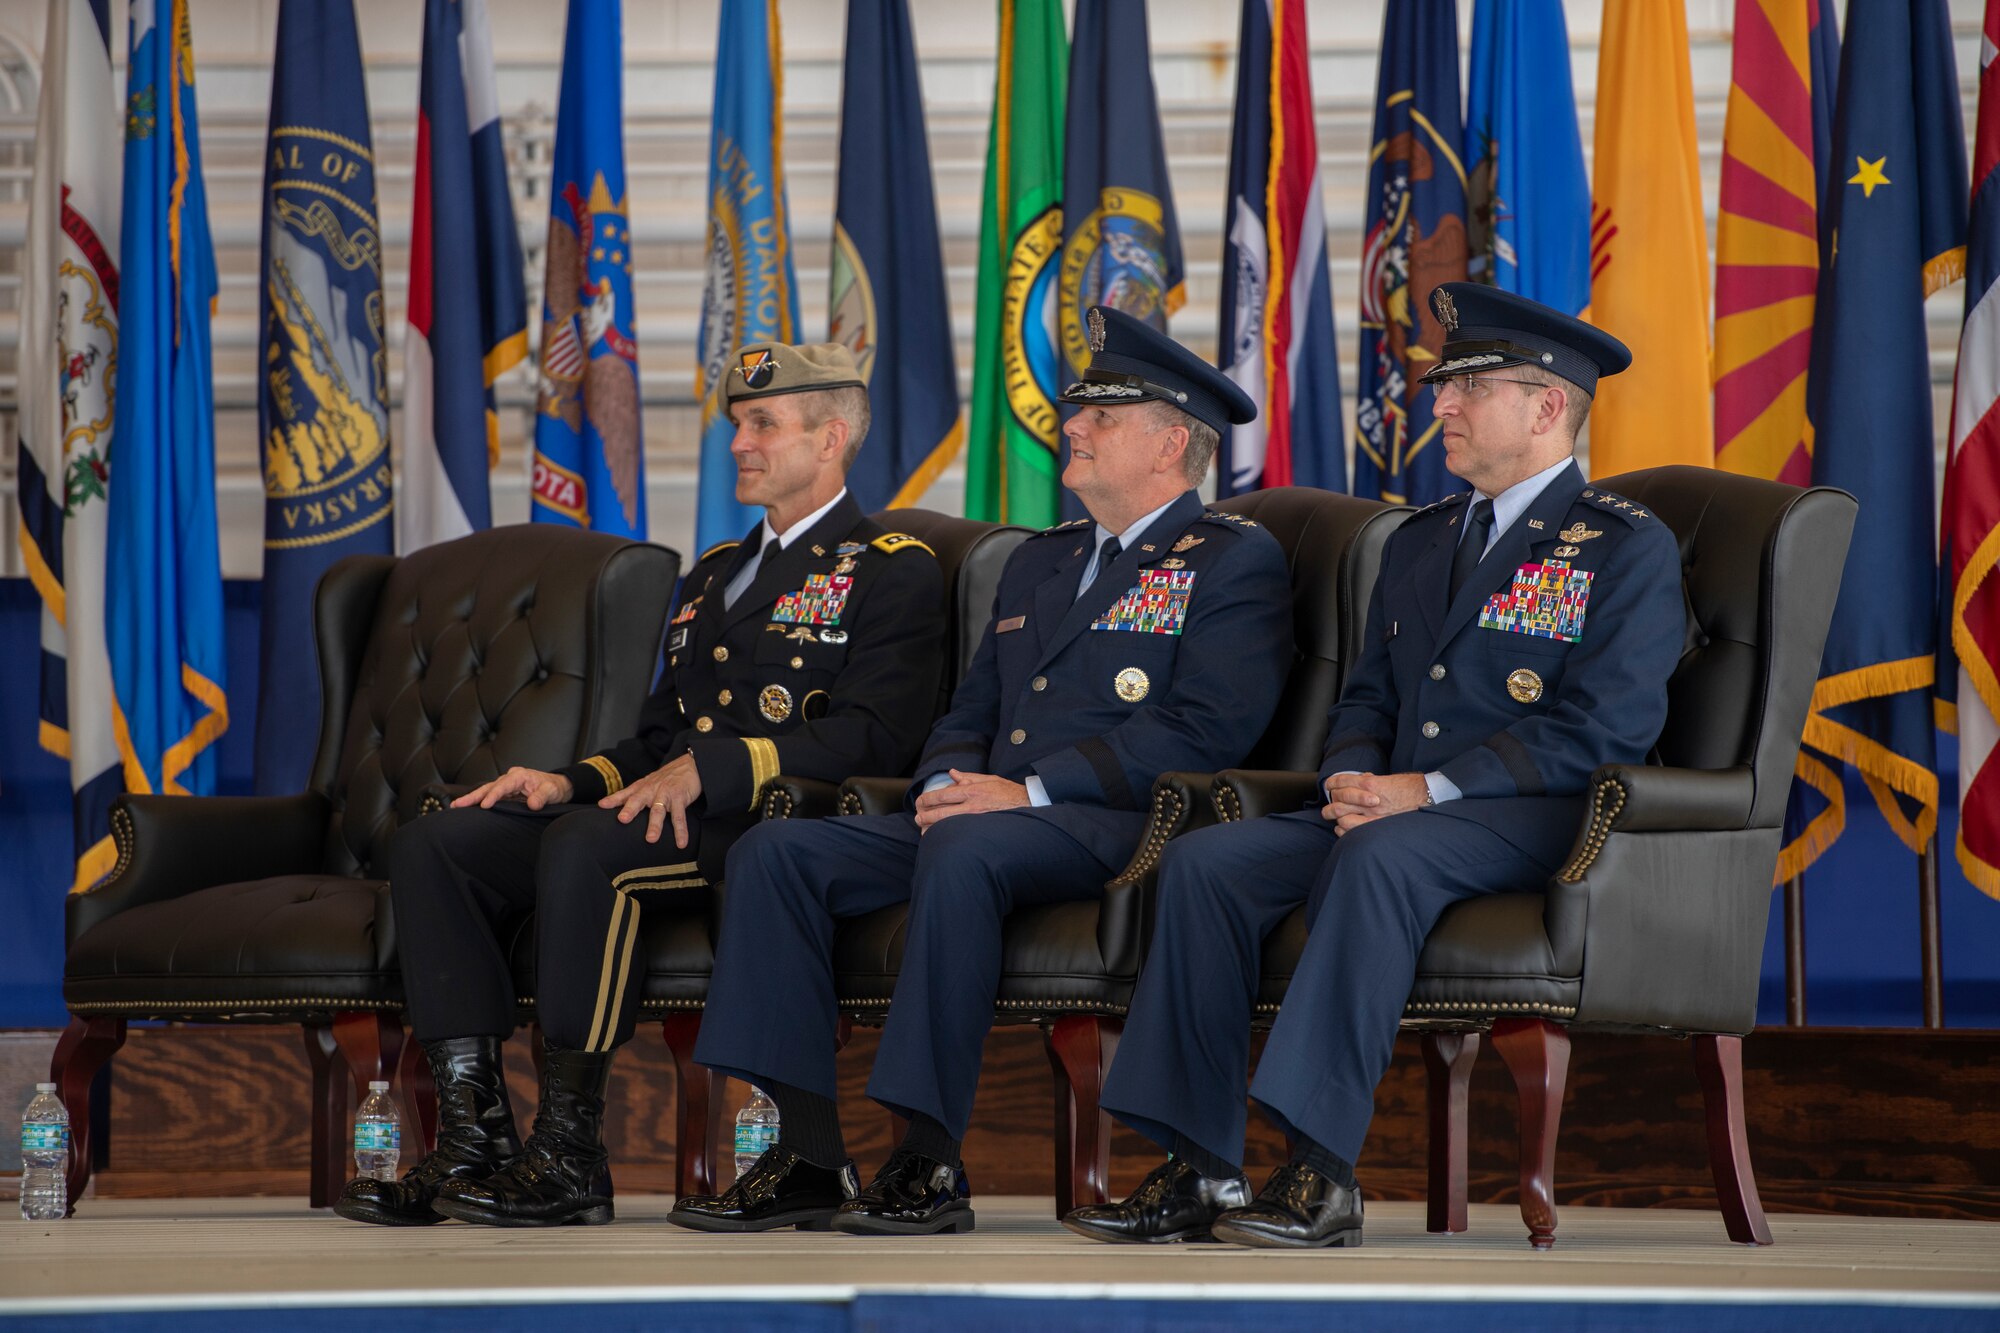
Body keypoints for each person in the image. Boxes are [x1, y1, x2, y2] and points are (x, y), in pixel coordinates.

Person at [1067, 282, 1682, 1249]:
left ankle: (1320, 1169)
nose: (1437, 405)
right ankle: (1200, 1165)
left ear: (1547, 405)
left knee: (1382, 858)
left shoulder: (1622, 547)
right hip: (1392, 811)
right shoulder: (1420, 539)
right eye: (1443, 389)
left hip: (1541, 819)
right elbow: (1367, 698)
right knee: (1206, 865)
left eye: (1466, 389)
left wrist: (1425, 791)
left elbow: (1606, 728)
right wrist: (1355, 778)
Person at [669, 306, 1294, 1236]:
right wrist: (942, 783)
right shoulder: (1038, 561)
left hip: (1124, 822)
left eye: (1100, 418)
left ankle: (927, 1159)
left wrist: (1030, 791)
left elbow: (1204, 728)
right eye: (1078, 412)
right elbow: (971, 710)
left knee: (965, 850)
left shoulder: (1231, 559)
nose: (1071, 426)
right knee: (777, 852)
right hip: (989, 815)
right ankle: (804, 1154)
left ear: (1170, 445)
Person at [334, 342, 946, 1228]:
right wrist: (566, 778)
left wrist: (715, 769)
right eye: (737, 423)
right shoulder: (714, 574)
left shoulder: (892, 567)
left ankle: (572, 1154)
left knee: (591, 844)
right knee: (441, 842)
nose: (738, 442)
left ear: (832, 439)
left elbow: (877, 736)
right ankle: (475, 1141)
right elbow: (661, 734)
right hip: (670, 808)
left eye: (763, 425)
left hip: (767, 823)